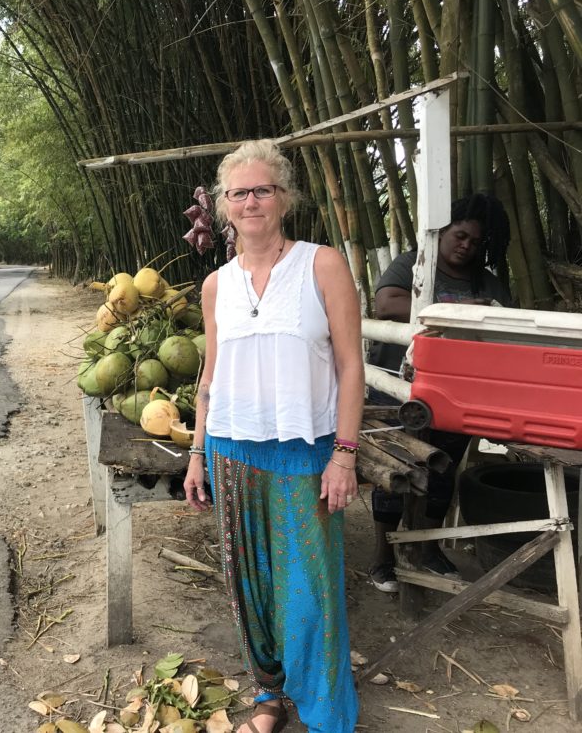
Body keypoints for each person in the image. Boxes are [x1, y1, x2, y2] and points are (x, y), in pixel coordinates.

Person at [184, 140, 363, 733]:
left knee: (309, 592)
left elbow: (350, 366)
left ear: (284, 198)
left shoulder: (322, 264)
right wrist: (196, 453)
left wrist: (344, 454)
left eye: (263, 189)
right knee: (250, 587)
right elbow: (210, 374)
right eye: (239, 192)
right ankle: (268, 696)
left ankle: (325, 712)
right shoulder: (216, 286)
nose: (251, 201)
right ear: (224, 206)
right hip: (232, 451)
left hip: (303, 451)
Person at [366, 193, 512, 592]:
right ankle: (382, 558)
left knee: (442, 469)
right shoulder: (415, 264)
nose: (466, 246)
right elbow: (387, 304)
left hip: (456, 391)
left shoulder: (486, 280)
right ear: (443, 231)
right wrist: (462, 308)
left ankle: (425, 551)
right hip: (396, 385)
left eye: (476, 242)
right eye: (460, 235)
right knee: (393, 470)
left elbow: (505, 325)